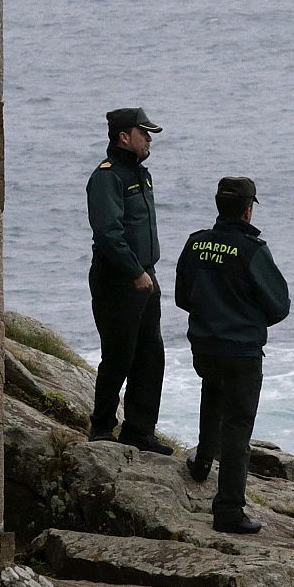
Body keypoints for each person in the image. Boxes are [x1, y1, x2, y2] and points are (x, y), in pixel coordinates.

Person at [174, 176, 291, 534]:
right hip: (241, 349)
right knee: (238, 427)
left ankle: (202, 460)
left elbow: (182, 296)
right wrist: (249, 319)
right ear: (247, 209)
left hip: (205, 344)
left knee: (212, 391)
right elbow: (280, 304)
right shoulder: (253, 250)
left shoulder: (196, 245)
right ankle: (228, 510)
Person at [86, 107, 171, 454]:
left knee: (151, 356)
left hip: (144, 277)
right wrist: (135, 271)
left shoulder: (141, 174)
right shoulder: (108, 177)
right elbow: (108, 232)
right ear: (124, 137)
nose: (149, 139)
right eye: (144, 133)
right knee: (120, 355)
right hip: (118, 280)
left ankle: (139, 430)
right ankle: (102, 426)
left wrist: (145, 272)